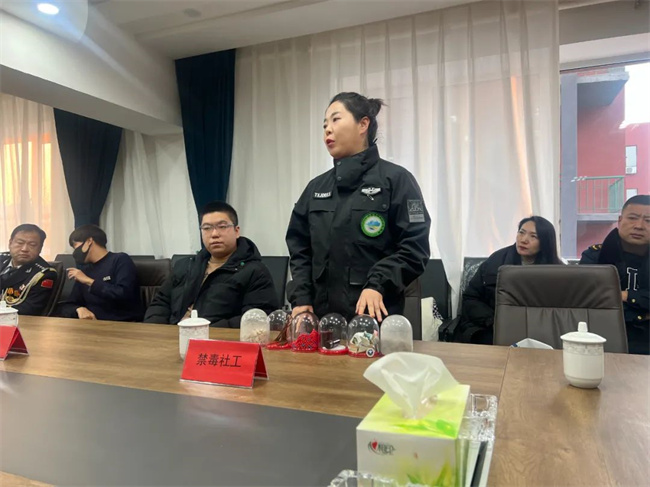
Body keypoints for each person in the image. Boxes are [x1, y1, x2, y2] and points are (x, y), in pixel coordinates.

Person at [286, 92, 431, 322]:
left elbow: (415, 248)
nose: (327, 129)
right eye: (324, 124)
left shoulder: (397, 180)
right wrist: (301, 296)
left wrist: (378, 283)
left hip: (374, 318)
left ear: (363, 124)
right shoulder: (316, 187)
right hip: (321, 320)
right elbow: (299, 247)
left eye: (335, 119)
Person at [144, 201, 278, 327]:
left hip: (216, 340)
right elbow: (160, 303)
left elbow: (255, 318)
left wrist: (204, 332)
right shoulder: (185, 266)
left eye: (222, 227)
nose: (214, 234)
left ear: (236, 231)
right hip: (173, 336)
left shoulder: (255, 271)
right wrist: (157, 332)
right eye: (207, 228)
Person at [456, 216, 563, 344]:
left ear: (545, 242)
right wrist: (493, 320)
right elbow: (470, 298)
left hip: (539, 329)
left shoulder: (557, 271)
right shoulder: (496, 261)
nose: (524, 240)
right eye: (521, 232)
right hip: (491, 326)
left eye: (533, 236)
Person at [580, 195, 649, 355]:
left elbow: (607, 298)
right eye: (632, 218)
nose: (639, 226)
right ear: (619, 220)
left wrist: (624, 295)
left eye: (648, 221)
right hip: (600, 337)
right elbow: (589, 299)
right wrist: (642, 312)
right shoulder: (595, 256)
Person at [57, 225, 142, 321]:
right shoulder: (85, 270)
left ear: (89, 241)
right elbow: (69, 305)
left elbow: (124, 293)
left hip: (123, 324)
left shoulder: (120, 260)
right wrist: (78, 309)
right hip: (93, 325)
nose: (75, 252)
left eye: (75, 246)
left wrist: (89, 281)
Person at [0, 224, 58, 316]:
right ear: (10, 243)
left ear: (40, 248)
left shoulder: (44, 274)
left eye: (32, 245)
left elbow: (29, 309)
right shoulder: (2, 259)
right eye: (20, 243)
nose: (24, 249)